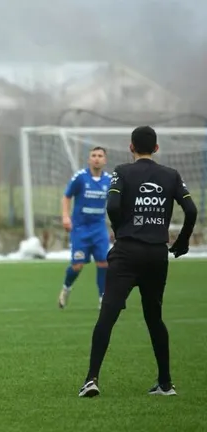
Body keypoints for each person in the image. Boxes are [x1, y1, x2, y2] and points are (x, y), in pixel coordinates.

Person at [78, 126, 197, 398]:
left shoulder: (121, 171)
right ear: (156, 149)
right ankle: (165, 383)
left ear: (131, 147)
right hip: (157, 254)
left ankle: (91, 380)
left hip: (128, 252)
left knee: (108, 315)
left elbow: (112, 206)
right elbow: (191, 209)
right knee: (154, 318)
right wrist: (182, 241)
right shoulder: (171, 175)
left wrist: (121, 232)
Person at [58, 147, 113, 310]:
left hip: (99, 228)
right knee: (77, 265)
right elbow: (67, 196)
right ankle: (66, 289)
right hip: (80, 229)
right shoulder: (80, 178)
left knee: (104, 263)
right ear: (89, 160)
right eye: (93, 156)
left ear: (105, 160)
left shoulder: (109, 180)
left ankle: (103, 298)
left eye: (100, 156)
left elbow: (116, 201)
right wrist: (66, 216)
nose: (96, 158)